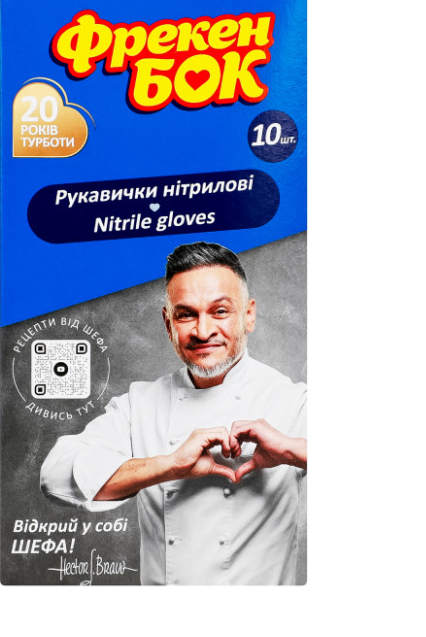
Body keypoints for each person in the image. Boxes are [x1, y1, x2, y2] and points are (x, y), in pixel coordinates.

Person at [40, 242, 307, 585]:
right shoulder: (139, 405)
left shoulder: (293, 400)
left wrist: (290, 449)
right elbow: (55, 476)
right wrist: (169, 465)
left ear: (248, 315)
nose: (202, 331)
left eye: (220, 311)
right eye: (186, 315)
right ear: (168, 324)